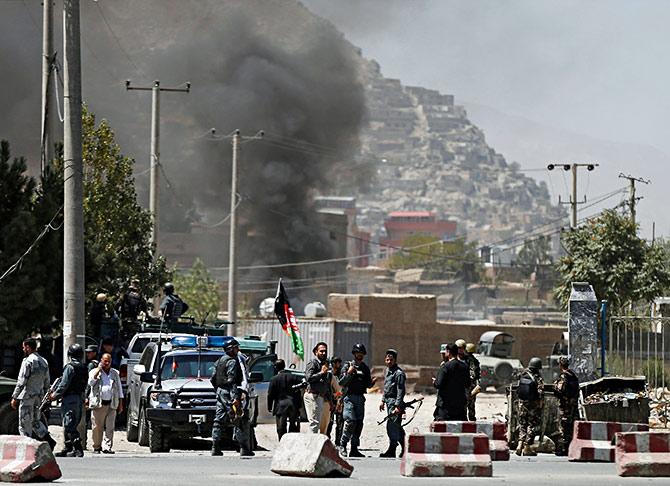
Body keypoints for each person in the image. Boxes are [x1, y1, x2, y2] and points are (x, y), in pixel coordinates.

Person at [10, 338, 56, 449]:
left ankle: (26, 447)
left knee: (24, 423)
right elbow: (47, 381)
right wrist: (46, 396)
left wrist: (15, 397)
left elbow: (22, 381)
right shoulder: (43, 361)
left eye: (24, 346)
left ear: (28, 347)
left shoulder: (28, 361)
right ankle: (49, 440)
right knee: (36, 421)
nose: (23, 349)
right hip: (38, 397)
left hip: (27, 396)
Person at [210, 339, 253, 457]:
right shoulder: (232, 362)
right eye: (235, 348)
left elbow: (213, 379)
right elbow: (232, 381)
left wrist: (218, 391)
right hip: (230, 393)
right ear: (230, 349)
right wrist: (235, 398)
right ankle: (244, 448)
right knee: (239, 418)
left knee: (218, 420)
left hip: (220, 393)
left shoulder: (219, 361)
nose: (238, 350)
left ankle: (215, 447)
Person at [50, 343, 88, 457]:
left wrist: (54, 396)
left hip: (69, 398)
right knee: (71, 423)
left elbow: (64, 385)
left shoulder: (70, 367)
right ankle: (68, 447)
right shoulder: (84, 367)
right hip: (79, 398)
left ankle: (78, 448)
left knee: (68, 424)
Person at [338, 343, 374, 458]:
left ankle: (354, 448)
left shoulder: (365, 368)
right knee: (350, 421)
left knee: (359, 423)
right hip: (349, 397)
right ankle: (343, 444)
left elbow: (368, 384)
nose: (360, 355)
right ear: (354, 354)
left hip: (360, 398)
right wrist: (349, 373)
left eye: (362, 354)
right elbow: (341, 382)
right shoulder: (347, 365)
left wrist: (371, 383)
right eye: (358, 353)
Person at [87, 353, 124, 454]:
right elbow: (91, 383)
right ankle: (97, 446)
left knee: (110, 427)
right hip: (98, 404)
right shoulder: (94, 372)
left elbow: (119, 389)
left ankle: (107, 447)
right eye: (105, 361)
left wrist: (120, 404)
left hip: (111, 404)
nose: (107, 363)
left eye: (109, 361)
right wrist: (99, 370)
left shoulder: (115, 373)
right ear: (101, 361)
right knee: (97, 427)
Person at [379, 349, 406, 458]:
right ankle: (403, 448)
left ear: (395, 360)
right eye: (387, 359)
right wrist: (382, 400)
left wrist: (397, 406)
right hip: (388, 402)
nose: (389, 361)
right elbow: (386, 388)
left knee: (393, 426)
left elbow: (400, 391)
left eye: (391, 360)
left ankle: (394, 448)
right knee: (395, 426)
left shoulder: (399, 373)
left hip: (395, 402)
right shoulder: (387, 371)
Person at [516, 357, 545, 456]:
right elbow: (541, 391)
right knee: (531, 425)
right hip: (533, 405)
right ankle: (527, 448)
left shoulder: (523, 374)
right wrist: (540, 402)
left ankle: (519, 445)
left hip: (522, 404)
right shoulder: (537, 377)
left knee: (522, 425)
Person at [433, 343, 470, 421]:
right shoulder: (464, 366)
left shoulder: (445, 367)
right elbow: (467, 384)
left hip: (445, 406)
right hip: (459, 405)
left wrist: (434, 382)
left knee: (442, 428)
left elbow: (439, 384)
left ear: (448, 352)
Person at [267, 359, 302, 440]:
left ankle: (282, 442)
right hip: (293, 404)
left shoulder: (274, 379)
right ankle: (292, 442)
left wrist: (269, 406)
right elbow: (299, 390)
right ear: (284, 366)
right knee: (293, 425)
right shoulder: (293, 377)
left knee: (281, 427)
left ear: (275, 367)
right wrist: (299, 405)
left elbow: (270, 394)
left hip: (280, 405)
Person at [304, 342, 332, 434]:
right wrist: (321, 373)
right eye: (321, 351)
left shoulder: (324, 365)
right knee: (314, 424)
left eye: (325, 351)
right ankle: (312, 447)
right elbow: (309, 378)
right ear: (316, 352)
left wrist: (331, 402)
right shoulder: (313, 363)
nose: (324, 353)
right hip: (313, 395)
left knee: (320, 423)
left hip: (320, 397)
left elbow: (326, 385)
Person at [553, 356, 579, 456]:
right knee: (571, 426)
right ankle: (570, 447)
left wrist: (555, 385)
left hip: (565, 405)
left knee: (564, 426)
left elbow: (560, 389)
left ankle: (564, 448)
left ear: (560, 365)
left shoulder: (564, 376)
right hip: (573, 405)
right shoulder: (573, 375)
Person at [327, 357, 344, 446]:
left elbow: (342, 387)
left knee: (340, 422)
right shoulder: (329, 374)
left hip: (339, 400)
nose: (339, 364)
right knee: (329, 421)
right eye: (337, 362)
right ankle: (327, 440)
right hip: (331, 400)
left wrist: (339, 399)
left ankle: (338, 442)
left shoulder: (341, 374)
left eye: (339, 362)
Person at [464, 342, 481, 421]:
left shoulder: (464, 360)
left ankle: (464, 417)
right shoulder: (476, 361)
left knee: (464, 401)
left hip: (466, 383)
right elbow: (477, 374)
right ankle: (472, 417)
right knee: (472, 402)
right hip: (473, 384)